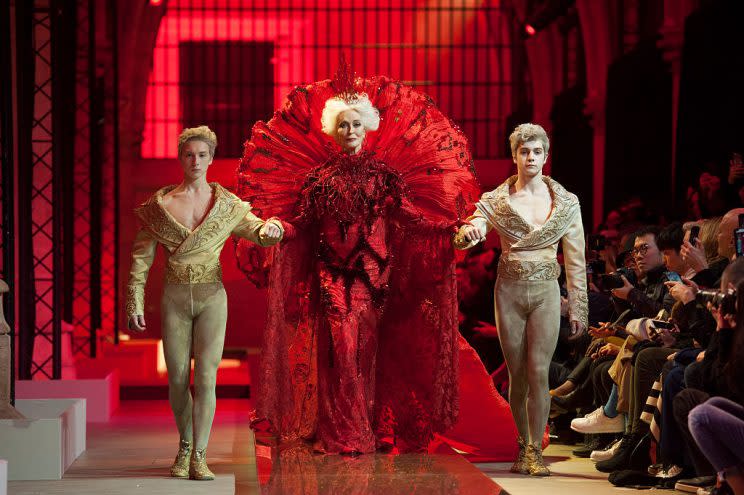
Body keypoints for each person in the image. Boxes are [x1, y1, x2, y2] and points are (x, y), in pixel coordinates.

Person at [235, 62, 494, 455]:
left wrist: (454, 230)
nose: (351, 131)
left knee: (366, 351)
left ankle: (362, 428)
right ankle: (344, 431)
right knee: (340, 348)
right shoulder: (319, 180)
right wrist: (276, 227)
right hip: (331, 276)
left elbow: (415, 219)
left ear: (368, 127)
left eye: (357, 124)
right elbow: (301, 224)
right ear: (334, 130)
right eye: (344, 125)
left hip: (374, 279)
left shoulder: (385, 178)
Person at [125, 126, 283, 480]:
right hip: (174, 298)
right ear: (180, 158)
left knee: (207, 377)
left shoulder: (226, 205)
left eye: (202, 155)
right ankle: (184, 446)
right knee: (179, 379)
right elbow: (140, 259)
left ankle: (200, 454)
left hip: (213, 297)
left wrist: (271, 228)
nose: (195, 160)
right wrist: (134, 301)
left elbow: (256, 229)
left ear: (211, 158)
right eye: (188, 154)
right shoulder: (159, 207)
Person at [454, 123, 588, 476]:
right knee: (517, 375)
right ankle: (522, 442)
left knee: (539, 371)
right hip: (509, 292)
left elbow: (575, 258)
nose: (530, 157)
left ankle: (535, 450)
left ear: (546, 156)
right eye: (524, 151)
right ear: (514, 156)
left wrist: (577, 306)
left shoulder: (567, 203)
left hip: (546, 291)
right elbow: (478, 223)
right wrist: (470, 233)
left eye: (537, 151)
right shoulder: (496, 200)